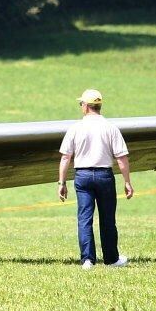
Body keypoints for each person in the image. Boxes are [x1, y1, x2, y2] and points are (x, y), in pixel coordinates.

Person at [58, 88, 134, 269]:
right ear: (99, 106)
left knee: (84, 218)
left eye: (81, 104)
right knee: (107, 218)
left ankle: (87, 260)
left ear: (85, 106)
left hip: (82, 176)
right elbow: (121, 158)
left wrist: (61, 182)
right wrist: (127, 182)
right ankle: (111, 259)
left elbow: (65, 157)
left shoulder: (76, 128)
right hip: (104, 176)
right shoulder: (110, 127)